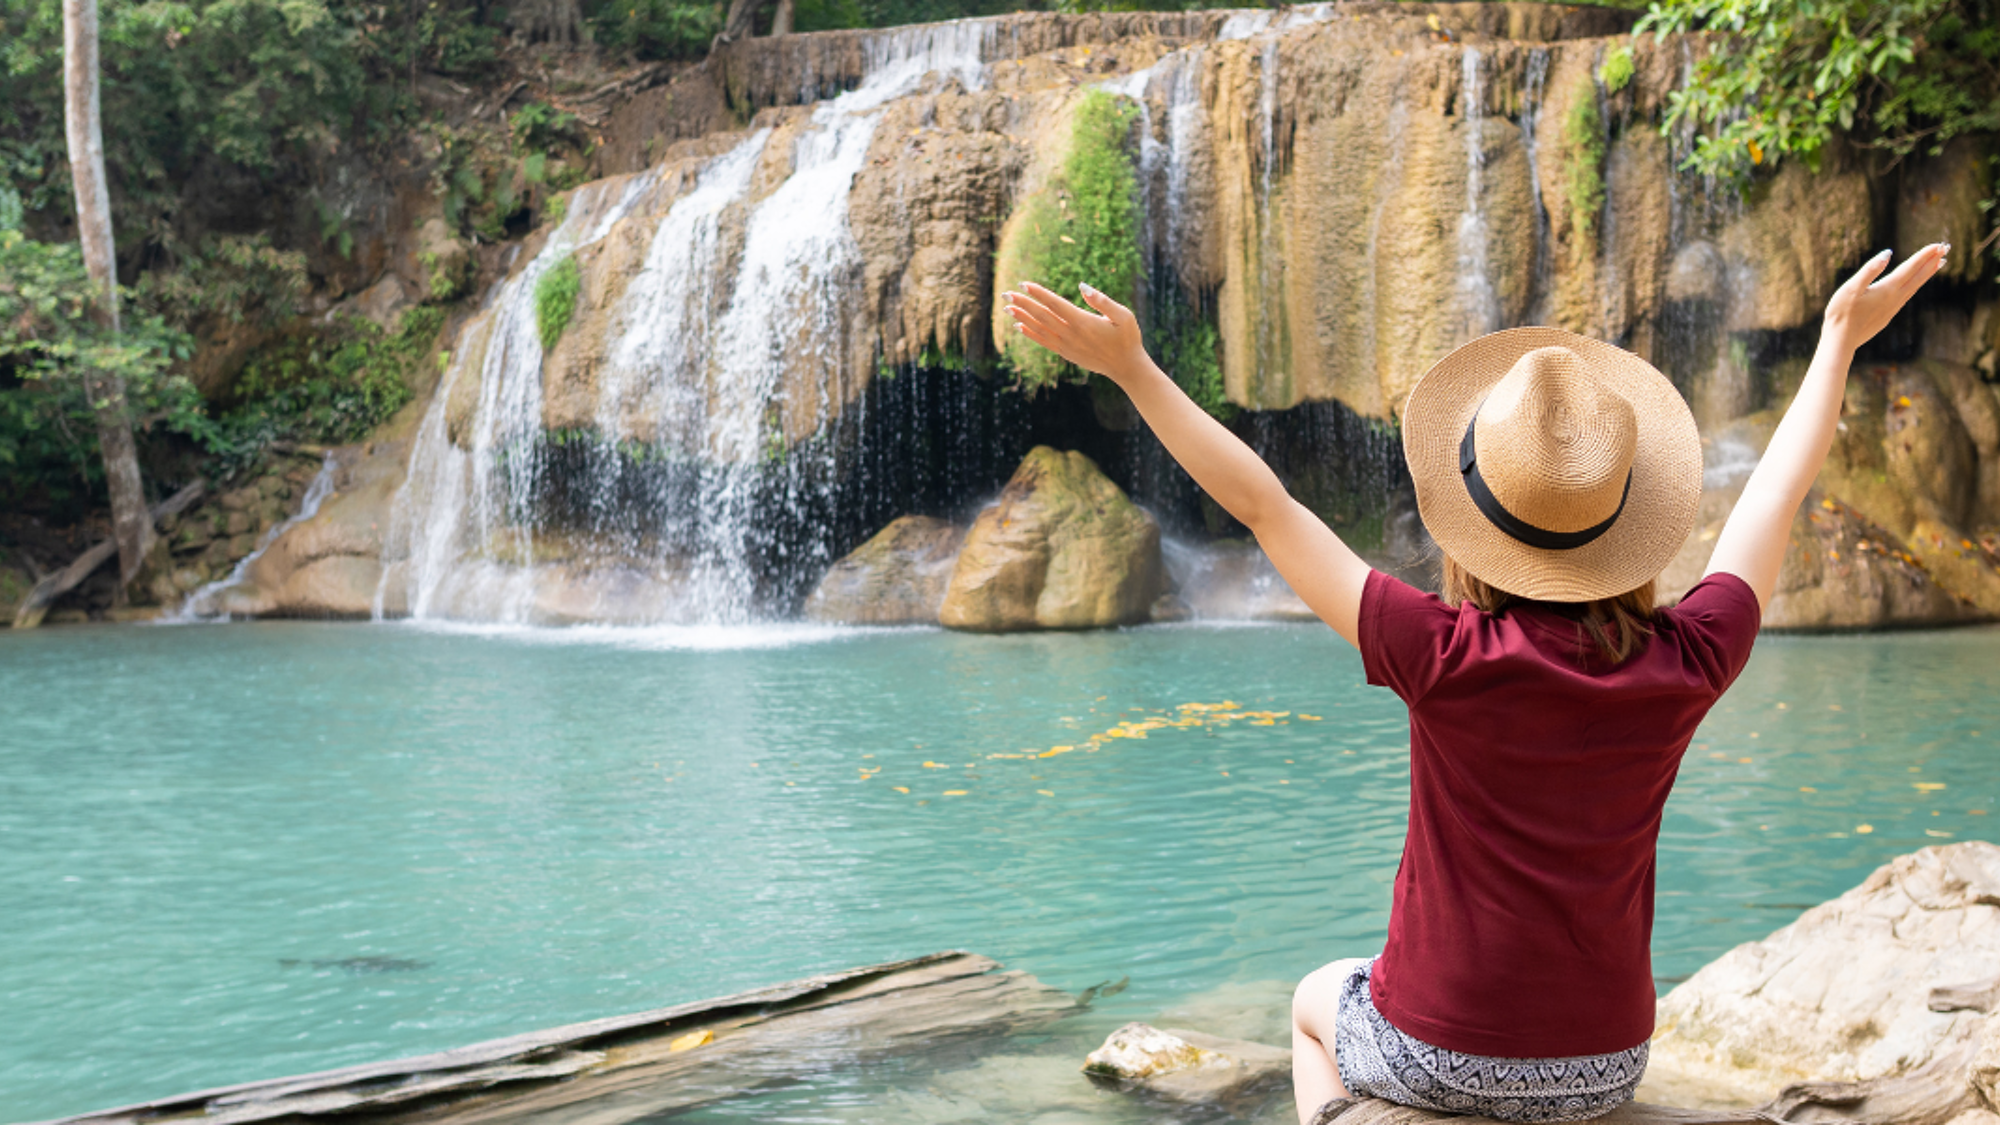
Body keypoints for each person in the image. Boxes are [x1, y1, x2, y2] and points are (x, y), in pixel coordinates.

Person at [1002, 240, 1949, 1125]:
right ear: (1630, 524)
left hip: (1436, 1048)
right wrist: (1834, 342)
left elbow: (1262, 502)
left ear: (1475, 525)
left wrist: (1133, 367)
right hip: (1605, 1064)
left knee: (1309, 1000)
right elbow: (1773, 496)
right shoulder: (1689, 655)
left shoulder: (1440, 650)